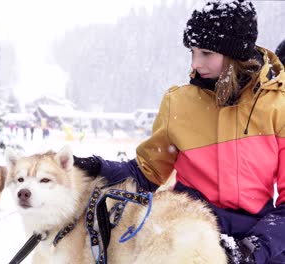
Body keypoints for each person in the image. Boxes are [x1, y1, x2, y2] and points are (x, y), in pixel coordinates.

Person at [73, 1, 285, 263]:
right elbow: (145, 173)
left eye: (206, 52)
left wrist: (253, 249)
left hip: (257, 238)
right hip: (185, 231)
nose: (196, 63)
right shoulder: (179, 103)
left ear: (235, 54)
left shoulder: (279, 106)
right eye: (192, 52)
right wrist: (96, 167)